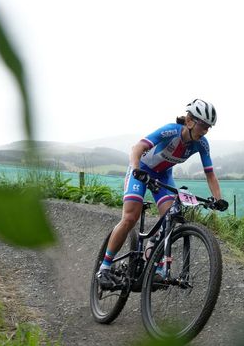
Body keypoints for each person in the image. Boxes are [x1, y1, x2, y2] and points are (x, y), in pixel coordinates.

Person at [97, 99, 228, 289]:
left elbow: (210, 174)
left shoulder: (202, 144)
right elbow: (137, 148)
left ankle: (155, 266)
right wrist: (135, 169)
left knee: (170, 218)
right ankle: (105, 268)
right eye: (202, 125)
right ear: (190, 121)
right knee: (130, 217)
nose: (205, 130)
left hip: (163, 175)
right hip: (141, 168)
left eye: (209, 127)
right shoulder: (170, 130)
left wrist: (218, 200)